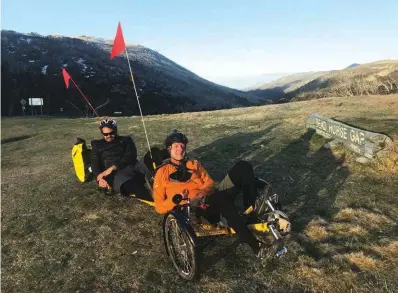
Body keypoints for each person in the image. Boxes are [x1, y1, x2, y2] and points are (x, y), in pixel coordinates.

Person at [152, 130, 270, 259]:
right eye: (176, 146)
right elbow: (159, 207)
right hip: (193, 208)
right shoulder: (162, 173)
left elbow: (210, 183)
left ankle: (251, 211)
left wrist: (202, 193)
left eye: (182, 146)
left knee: (243, 166)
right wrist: (176, 200)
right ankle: (254, 245)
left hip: (209, 197)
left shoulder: (194, 164)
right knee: (222, 198)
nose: (180, 149)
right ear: (169, 149)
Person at [90, 118, 151, 200]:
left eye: (112, 133)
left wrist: (113, 167)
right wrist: (99, 179)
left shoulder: (126, 140)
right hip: (118, 175)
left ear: (116, 130)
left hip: (134, 166)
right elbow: (94, 163)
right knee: (135, 187)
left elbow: (131, 155)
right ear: (102, 133)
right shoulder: (97, 145)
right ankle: (163, 201)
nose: (109, 136)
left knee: (152, 156)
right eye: (106, 134)